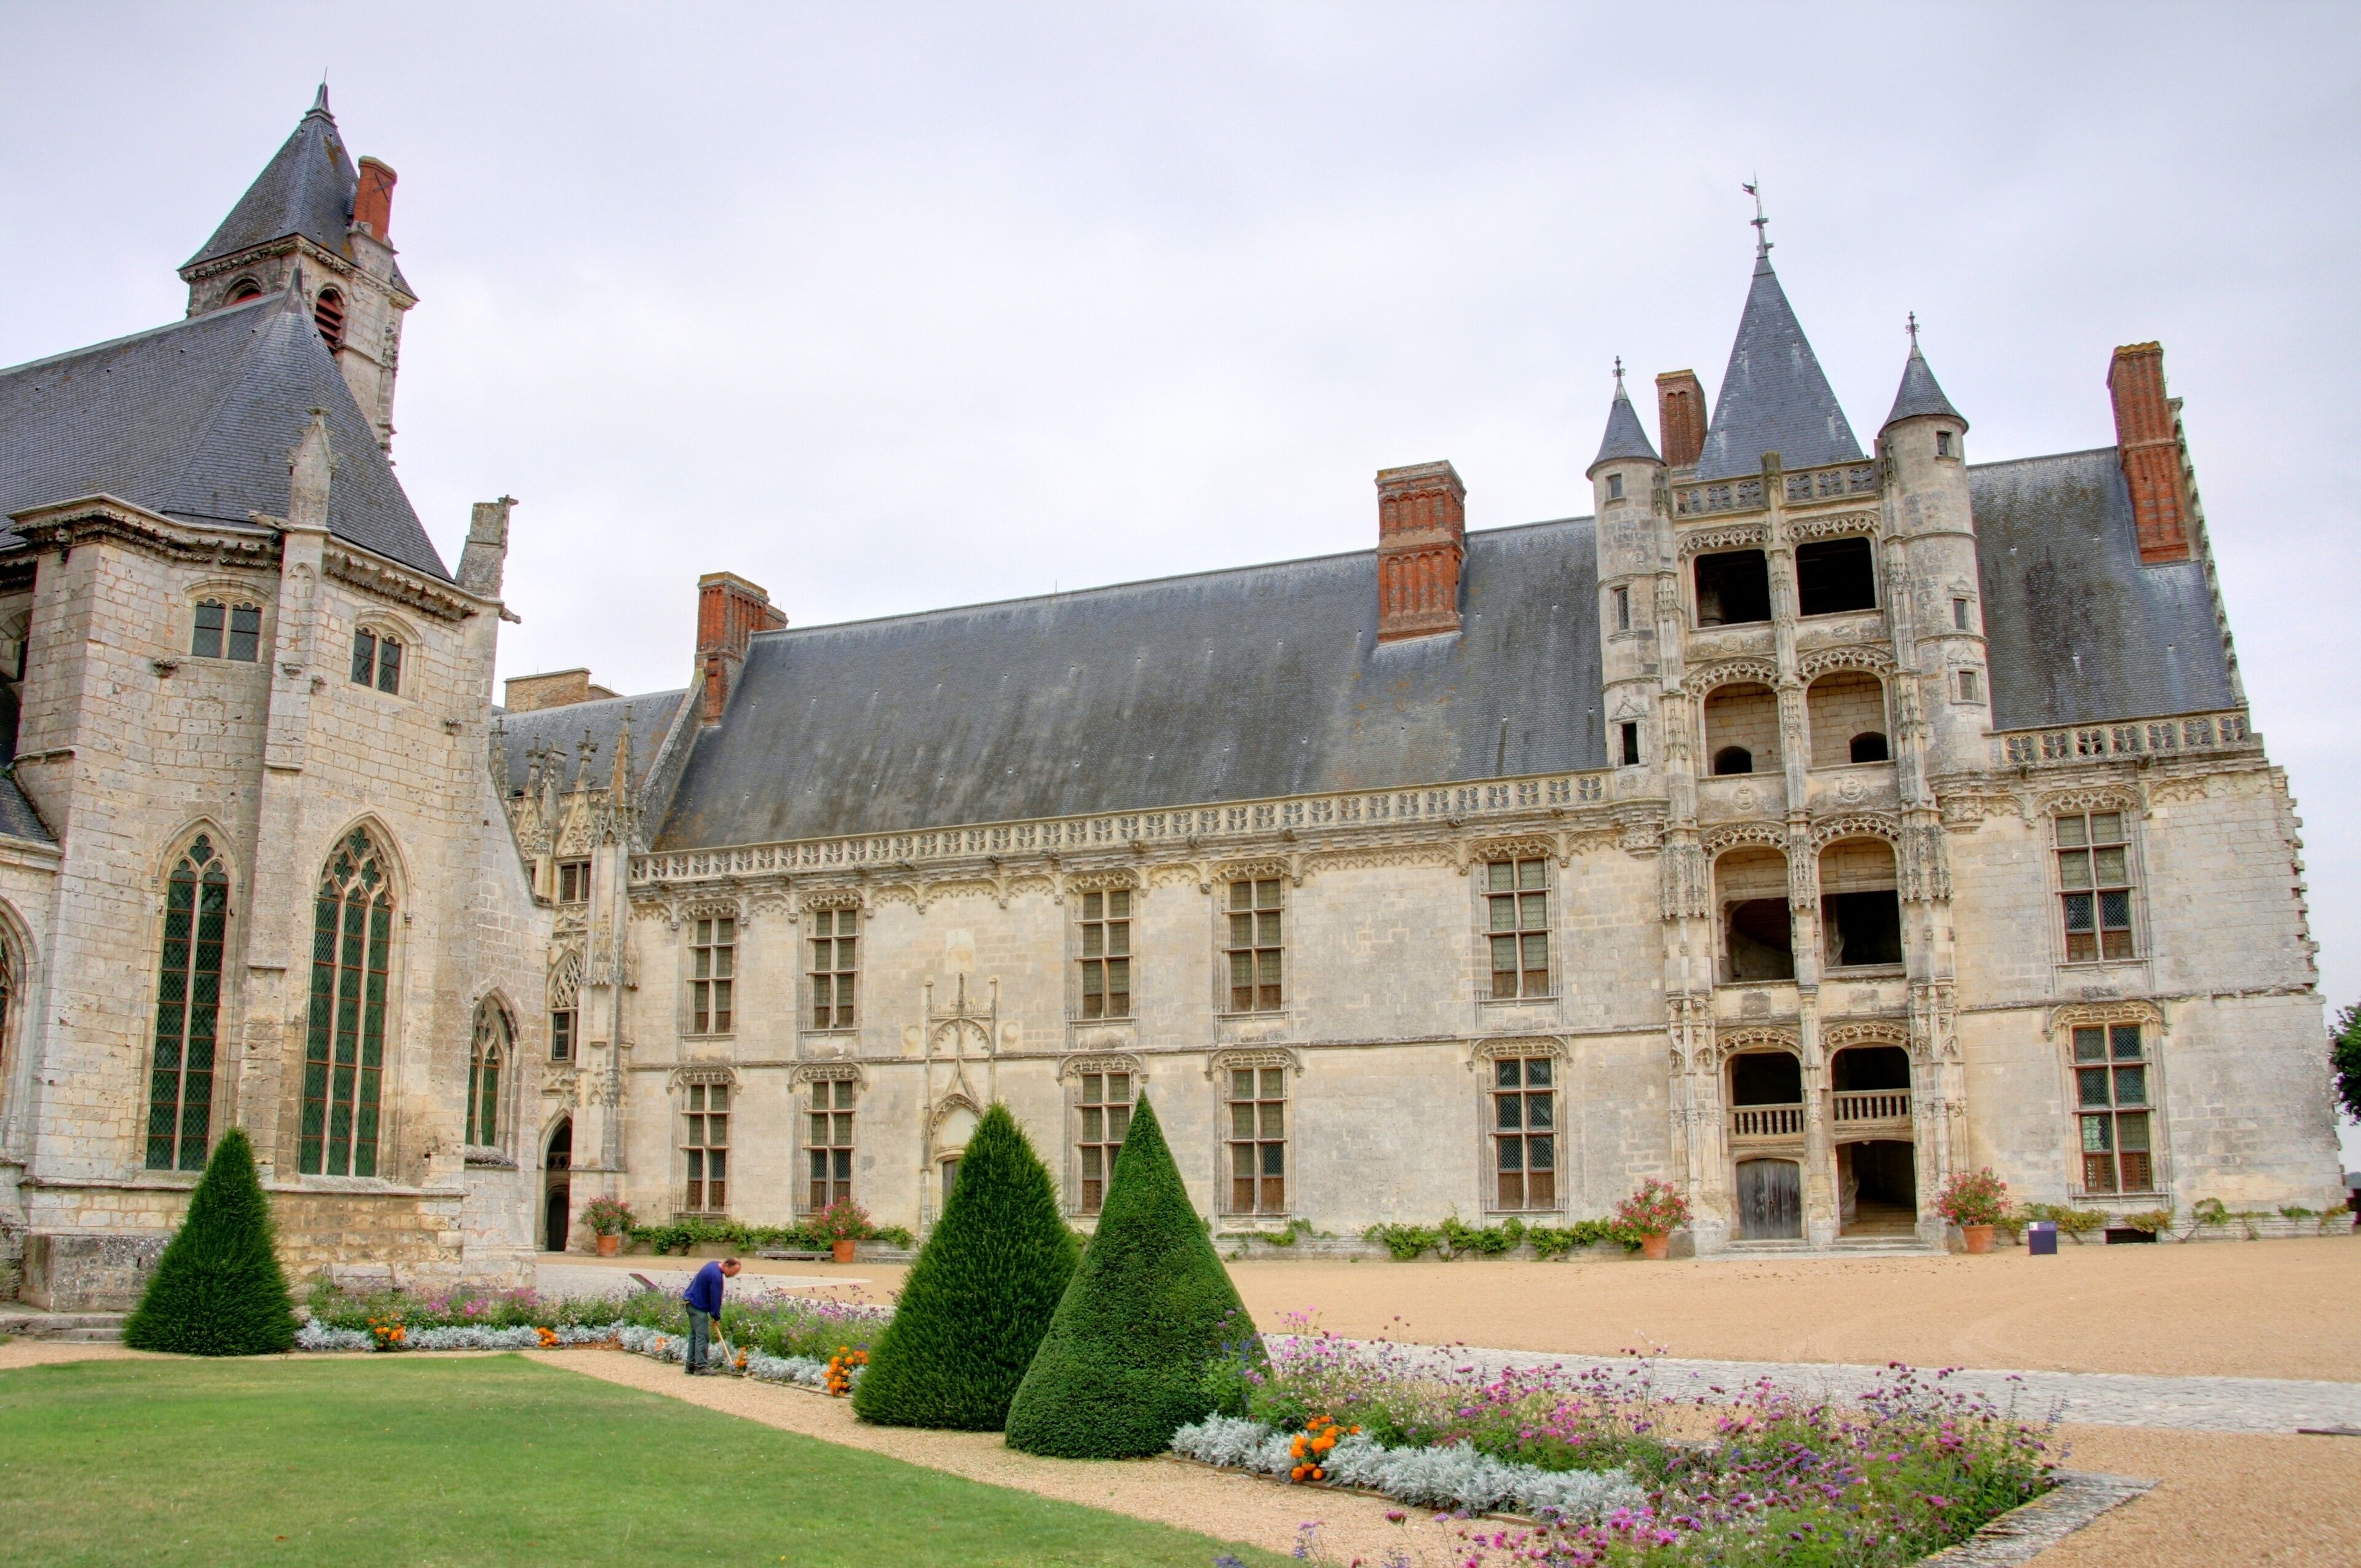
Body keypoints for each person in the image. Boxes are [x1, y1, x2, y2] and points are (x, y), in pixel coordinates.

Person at [681, 1256, 741, 1375]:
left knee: (695, 1335)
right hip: (697, 1306)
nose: (733, 1275)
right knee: (703, 1336)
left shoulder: (713, 1265)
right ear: (727, 1266)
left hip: (691, 1302)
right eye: (733, 1272)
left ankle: (691, 1366)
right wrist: (716, 1316)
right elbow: (715, 1298)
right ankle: (701, 1367)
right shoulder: (716, 1276)